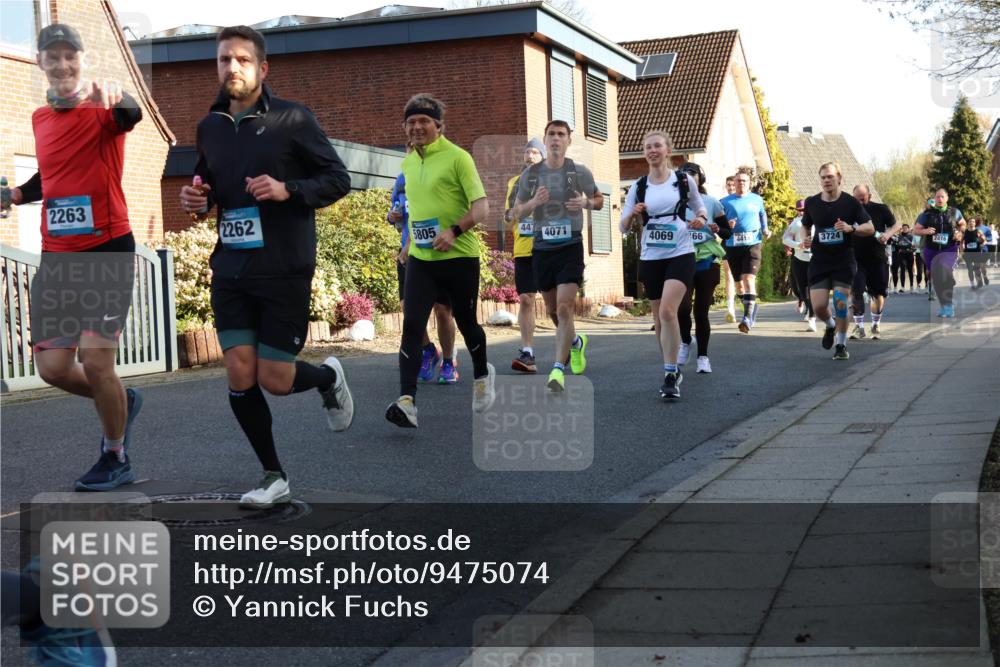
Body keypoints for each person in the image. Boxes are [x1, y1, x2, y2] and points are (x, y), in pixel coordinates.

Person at [178, 25, 354, 508]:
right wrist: (196, 199)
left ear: (262, 68)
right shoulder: (209, 126)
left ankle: (328, 378)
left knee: (275, 380)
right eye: (223, 60)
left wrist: (288, 190)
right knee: (239, 371)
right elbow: (206, 185)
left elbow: (339, 178)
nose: (231, 68)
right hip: (232, 269)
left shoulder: (292, 120)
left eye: (241, 60)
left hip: (283, 266)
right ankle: (273, 476)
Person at [7, 24, 144, 491]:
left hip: (106, 251)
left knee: (99, 362)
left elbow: (132, 115)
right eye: (53, 57)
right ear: (40, 63)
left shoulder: (104, 108)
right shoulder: (39, 119)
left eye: (71, 56)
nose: (63, 65)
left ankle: (116, 456)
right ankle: (118, 404)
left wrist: (120, 97)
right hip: (57, 257)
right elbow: (54, 173)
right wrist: (18, 192)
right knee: (52, 368)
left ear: (82, 60)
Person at [385, 93, 496, 427]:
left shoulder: (458, 158)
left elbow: (482, 208)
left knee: (466, 321)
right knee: (412, 324)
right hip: (422, 258)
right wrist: (407, 247)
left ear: (438, 125)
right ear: (405, 127)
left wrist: (454, 231)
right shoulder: (407, 163)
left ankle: (481, 375)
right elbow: (417, 211)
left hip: (459, 256)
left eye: (424, 121)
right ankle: (407, 401)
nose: (417, 127)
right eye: (411, 122)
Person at [512, 120, 603, 393]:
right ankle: (576, 343)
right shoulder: (530, 175)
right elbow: (517, 211)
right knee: (553, 311)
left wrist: (586, 202)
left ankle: (557, 369)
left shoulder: (579, 171)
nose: (555, 138)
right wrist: (533, 203)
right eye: (551, 134)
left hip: (570, 247)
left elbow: (598, 199)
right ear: (545, 139)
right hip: (542, 249)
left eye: (561, 134)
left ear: (568, 141)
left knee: (565, 308)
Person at [618, 131, 707, 399]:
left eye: (658, 146)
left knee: (668, 311)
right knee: (658, 317)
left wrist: (701, 219)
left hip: (680, 252)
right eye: (648, 147)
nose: (652, 150)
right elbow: (622, 225)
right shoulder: (639, 186)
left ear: (668, 151)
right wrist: (632, 215)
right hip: (651, 256)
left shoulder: (683, 180)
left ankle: (670, 374)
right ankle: (671, 367)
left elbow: (699, 207)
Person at [388, 172, 459, 383]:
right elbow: (395, 209)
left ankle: (448, 362)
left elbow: (434, 213)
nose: (413, 147)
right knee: (409, 309)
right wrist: (392, 216)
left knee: (442, 310)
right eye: (408, 144)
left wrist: (410, 244)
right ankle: (428, 349)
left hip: (440, 252)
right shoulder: (402, 179)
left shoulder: (439, 172)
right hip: (409, 254)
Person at [800, 162, 874, 360]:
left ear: (839, 178)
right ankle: (831, 326)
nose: (826, 180)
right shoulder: (812, 202)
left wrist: (852, 228)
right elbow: (805, 225)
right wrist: (805, 238)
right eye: (823, 177)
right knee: (819, 307)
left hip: (843, 260)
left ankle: (841, 345)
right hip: (819, 261)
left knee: (841, 302)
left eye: (830, 177)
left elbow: (870, 227)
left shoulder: (850, 203)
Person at [676, 161, 729, 373]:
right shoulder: (675, 202)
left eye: (692, 173)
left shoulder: (712, 202)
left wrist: (718, 228)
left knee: (701, 311)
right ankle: (687, 340)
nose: (687, 176)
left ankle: (703, 357)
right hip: (682, 257)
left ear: (700, 178)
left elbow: (727, 232)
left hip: (708, 260)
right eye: (683, 173)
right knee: (682, 308)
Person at [503, 138, 546, 373]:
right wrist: (513, 214)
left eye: (535, 153)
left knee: (556, 306)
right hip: (523, 249)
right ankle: (528, 353)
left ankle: (572, 341)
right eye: (527, 152)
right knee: (526, 299)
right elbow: (507, 218)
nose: (530, 156)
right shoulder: (515, 183)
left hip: (549, 248)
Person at [721, 171, 771, 333]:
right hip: (733, 245)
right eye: (738, 181)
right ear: (733, 183)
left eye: (744, 181)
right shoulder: (724, 202)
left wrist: (765, 229)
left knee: (749, 279)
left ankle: (747, 318)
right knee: (739, 286)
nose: (741, 183)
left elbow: (762, 215)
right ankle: (751, 307)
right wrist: (727, 225)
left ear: (749, 183)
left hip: (753, 244)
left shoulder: (757, 199)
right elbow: (718, 226)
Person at [850, 184, 899, 340]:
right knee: (856, 292)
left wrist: (887, 234)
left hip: (877, 258)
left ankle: (875, 324)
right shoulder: (849, 212)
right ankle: (859, 327)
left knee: (877, 293)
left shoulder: (880, 209)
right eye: (856, 199)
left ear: (869, 196)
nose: (860, 202)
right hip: (856, 259)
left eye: (862, 199)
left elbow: (896, 225)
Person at [914, 188, 964, 318]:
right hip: (931, 250)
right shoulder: (927, 214)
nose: (940, 199)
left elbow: (962, 224)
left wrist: (959, 232)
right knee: (936, 279)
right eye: (937, 197)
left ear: (947, 198)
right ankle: (944, 305)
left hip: (949, 249)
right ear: (934, 199)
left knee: (944, 272)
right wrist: (925, 231)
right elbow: (916, 230)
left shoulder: (954, 212)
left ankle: (949, 306)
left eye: (942, 197)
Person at [782, 199, 816, 331]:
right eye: (800, 210)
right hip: (799, 259)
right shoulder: (796, 223)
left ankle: (812, 318)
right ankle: (808, 308)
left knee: (813, 289)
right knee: (802, 290)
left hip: (815, 259)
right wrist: (798, 245)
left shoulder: (818, 222)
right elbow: (785, 238)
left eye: (804, 210)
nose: (802, 213)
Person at [722, 174, 739, 322]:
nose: (731, 187)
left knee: (742, 277)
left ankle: (748, 304)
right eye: (729, 185)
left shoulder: (745, 200)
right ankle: (730, 309)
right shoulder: (722, 203)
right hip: (727, 241)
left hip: (743, 243)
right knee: (729, 274)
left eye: (733, 185)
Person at [961, 219, 988, 289]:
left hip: (977, 253)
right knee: (969, 269)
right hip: (967, 253)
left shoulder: (978, 231)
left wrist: (983, 244)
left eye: (973, 222)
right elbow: (961, 241)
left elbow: (985, 241)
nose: (971, 223)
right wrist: (962, 249)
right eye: (970, 222)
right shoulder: (965, 232)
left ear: (975, 224)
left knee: (976, 268)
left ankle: (980, 281)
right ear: (968, 223)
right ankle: (972, 284)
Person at [890, 224, 915, 293]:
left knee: (910, 270)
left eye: (906, 228)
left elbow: (914, 247)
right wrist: (899, 247)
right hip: (901, 255)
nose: (904, 229)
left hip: (909, 255)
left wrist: (909, 249)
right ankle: (903, 287)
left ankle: (912, 287)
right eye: (903, 228)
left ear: (908, 228)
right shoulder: (899, 236)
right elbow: (897, 246)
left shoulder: (911, 236)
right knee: (902, 270)